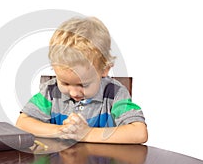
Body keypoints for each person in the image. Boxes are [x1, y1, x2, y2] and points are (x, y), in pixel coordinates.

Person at [16, 16, 148, 143]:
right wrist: (61, 130)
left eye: (83, 85)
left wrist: (85, 134)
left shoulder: (115, 93)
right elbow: (22, 123)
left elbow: (139, 133)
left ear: (104, 70)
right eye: (65, 83)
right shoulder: (50, 92)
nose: (73, 93)